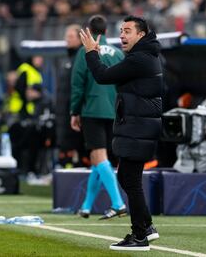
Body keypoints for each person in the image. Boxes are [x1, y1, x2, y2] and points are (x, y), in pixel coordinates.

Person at [79, 15, 162, 251]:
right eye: (121, 31)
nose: (122, 35)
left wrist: (90, 52)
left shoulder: (140, 59)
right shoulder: (142, 56)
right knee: (126, 176)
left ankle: (139, 237)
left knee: (131, 180)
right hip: (137, 126)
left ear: (141, 35)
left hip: (139, 127)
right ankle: (146, 227)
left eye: (127, 31)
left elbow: (103, 76)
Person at [70, 15, 126, 220]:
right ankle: (86, 206)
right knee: (98, 159)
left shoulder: (84, 51)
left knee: (99, 156)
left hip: (93, 108)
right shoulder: (118, 54)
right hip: (114, 110)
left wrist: (74, 111)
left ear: (89, 31)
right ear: (106, 32)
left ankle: (118, 203)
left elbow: (78, 83)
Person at [55, 24, 86, 168]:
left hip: (74, 114)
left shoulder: (82, 58)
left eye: (71, 36)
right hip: (63, 114)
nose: (67, 39)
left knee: (77, 150)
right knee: (65, 148)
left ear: (80, 39)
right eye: (66, 36)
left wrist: (76, 110)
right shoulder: (66, 60)